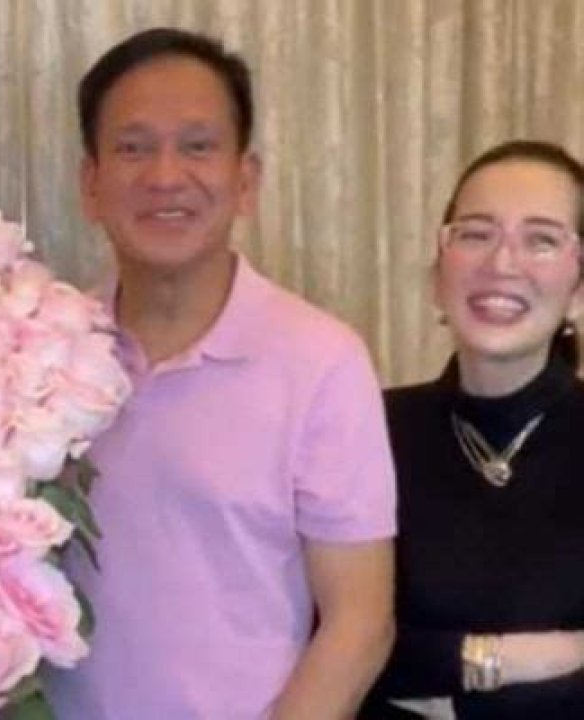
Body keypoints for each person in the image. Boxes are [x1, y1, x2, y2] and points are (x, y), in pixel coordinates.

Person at [46, 27, 396, 719]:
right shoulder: (42, 350)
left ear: (245, 180)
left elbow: (359, 622)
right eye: (133, 148)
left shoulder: (322, 361)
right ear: (91, 184)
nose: (165, 176)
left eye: (198, 146)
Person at [360, 140, 584, 720]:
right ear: (438, 275)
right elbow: (329, 639)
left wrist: (449, 695)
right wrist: (510, 659)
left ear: (579, 291)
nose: (502, 263)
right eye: (476, 234)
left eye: (541, 240)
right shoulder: (365, 429)